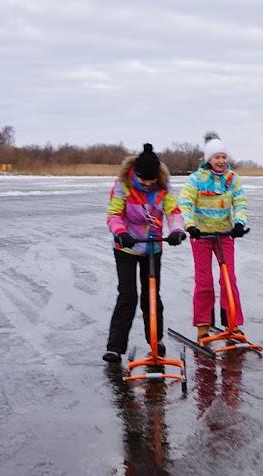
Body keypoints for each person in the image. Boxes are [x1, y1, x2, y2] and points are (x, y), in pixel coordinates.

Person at [102, 144, 186, 363]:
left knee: (151, 295)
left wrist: (177, 230)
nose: (148, 184)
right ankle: (115, 347)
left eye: (151, 180)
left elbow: (173, 212)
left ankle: (155, 340)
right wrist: (121, 232)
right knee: (127, 295)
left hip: (152, 246)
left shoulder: (164, 186)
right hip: (127, 246)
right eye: (144, 179)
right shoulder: (123, 185)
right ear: (136, 173)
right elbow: (113, 215)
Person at [179, 131, 250, 340]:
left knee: (229, 279)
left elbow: (240, 202)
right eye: (216, 157)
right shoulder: (196, 179)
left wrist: (239, 222)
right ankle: (203, 324)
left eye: (223, 157)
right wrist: (190, 225)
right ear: (208, 159)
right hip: (201, 235)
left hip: (225, 234)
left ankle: (232, 323)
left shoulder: (232, 179)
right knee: (204, 280)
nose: (221, 161)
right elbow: (185, 202)